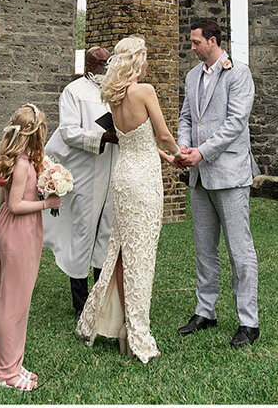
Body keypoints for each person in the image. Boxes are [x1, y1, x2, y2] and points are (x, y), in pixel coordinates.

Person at [77, 36, 181, 362]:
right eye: (145, 57)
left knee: (122, 252)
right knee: (142, 255)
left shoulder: (114, 96)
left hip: (124, 177)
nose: (148, 63)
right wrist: (178, 155)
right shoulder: (144, 91)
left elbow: (136, 141)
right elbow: (162, 135)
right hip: (143, 183)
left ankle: (122, 325)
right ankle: (136, 332)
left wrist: (164, 157)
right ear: (138, 61)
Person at [176, 20, 261, 347]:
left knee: (240, 251)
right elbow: (186, 117)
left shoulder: (239, 73)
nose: (192, 47)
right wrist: (184, 146)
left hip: (229, 174)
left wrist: (202, 151)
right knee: (203, 248)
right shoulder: (192, 76)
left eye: (197, 42)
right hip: (199, 177)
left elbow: (236, 123)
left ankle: (248, 321)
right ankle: (205, 310)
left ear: (213, 41)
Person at [0, 104, 62, 391]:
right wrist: (47, 203)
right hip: (19, 234)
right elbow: (14, 205)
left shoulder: (15, 160)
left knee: (14, 301)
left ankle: (12, 363)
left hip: (10, 230)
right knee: (15, 304)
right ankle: (5, 374)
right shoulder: (22, 164)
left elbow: (3, 200)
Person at [46, 44, 118, 316]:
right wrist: (101, 137)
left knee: (107, 234)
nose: (106, 68)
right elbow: (68, 132)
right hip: (86, 171)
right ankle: (80, 302)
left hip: (112, 169)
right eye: (100, 64)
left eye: (108, 62)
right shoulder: (73, 92)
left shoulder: (115, 89)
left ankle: (100, 297)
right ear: (89, 66)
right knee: (83, 233)